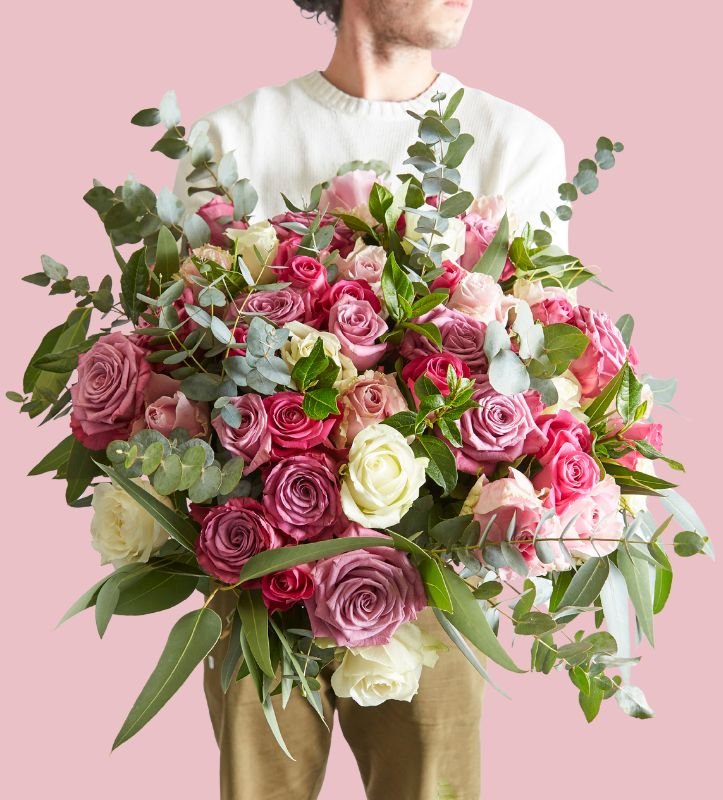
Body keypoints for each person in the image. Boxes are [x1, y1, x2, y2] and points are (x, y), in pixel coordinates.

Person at [172, 2, 569, 798]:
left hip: (434, 566)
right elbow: (188, 362)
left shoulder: (515, 146)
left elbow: (533, 366)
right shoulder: (229, 143)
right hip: (263, 565)